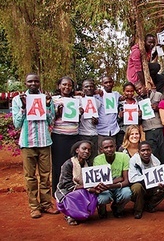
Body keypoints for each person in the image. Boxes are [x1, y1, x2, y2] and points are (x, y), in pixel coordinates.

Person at [12, 73, 59, 218]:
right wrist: (24, 108)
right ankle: (34, 206)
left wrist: (47, 106)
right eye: (30, 81)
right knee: (30, 177)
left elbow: (51, 121)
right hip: (27, 143)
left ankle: (46, 204)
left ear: (39, 83)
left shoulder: (46, 98)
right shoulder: (17, 100)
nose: (33, 84)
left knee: (45, 176)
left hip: (44, 141)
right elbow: (17, 124)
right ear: (25, 83)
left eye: (36, 81)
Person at [55, 140, 107, 225]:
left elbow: (91, 182)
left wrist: (93, 188)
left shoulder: (89, 164)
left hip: (84, 188)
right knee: (78, 194)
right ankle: (70, 215)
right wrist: (87, 187)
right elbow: (66, 185)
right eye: (84, 149)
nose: (87, 151)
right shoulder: (68, 164)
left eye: (89, 150)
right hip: (67, 191)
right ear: (77, 150)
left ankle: (84, 214)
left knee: (94, 195)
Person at [51, 76, 80, 195]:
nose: (67, 87)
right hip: (59, 136)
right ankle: (57, 191)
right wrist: (57, 114)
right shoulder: (53, 100)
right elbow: (49, 119)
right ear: (59, 86)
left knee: (73, 164)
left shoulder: (77, 99)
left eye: (69, 85)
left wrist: (81, 112)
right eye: (64, 84)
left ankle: (72, 190)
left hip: (74, 136)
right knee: (58, 164)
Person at [129, 141, 164, 219]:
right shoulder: (133, 160)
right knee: (137, 187)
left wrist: (160, 183)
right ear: (138, 152)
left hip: (151, 186)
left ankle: (149, 205)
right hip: (139, 185)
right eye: (143, 150)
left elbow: (160, 177)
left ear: (151, 150)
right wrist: (148, 177)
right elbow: (132, 179)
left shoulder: (155, 160)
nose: (146, 152)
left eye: (148, 150)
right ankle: (138, 210)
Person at [93, 138, 132, 218]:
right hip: (106, 187)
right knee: (103, 198)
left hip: (117, 186)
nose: (109, 149)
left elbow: (126, 181)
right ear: (101, 150)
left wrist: (112, 185)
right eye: (106, 147)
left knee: (127, 194)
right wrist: (119, 179)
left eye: (111, 146)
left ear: (115, 147)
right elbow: (99, 182)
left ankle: (117, 208)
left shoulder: (124, 157)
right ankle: (102, 208)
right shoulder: (97, 160)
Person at [133, 80, 164, 163]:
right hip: (148, 130)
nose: (139, 91)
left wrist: (158, 107)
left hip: (159, 128)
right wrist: (139, 115)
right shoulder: (137, 101)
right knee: (153, 153)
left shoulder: (158, 95)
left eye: (140, 88)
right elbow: (137, 120)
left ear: (145, 86)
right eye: (137, 90)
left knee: (163, 151)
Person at [95, 76, 121, 150]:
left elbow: (124, 98)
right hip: (101, 131)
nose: (108, 84)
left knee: (113, 152)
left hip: (113, 130)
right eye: (106, 82)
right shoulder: (98, 95)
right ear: (102, 84)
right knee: (102, 153)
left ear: (113, 83)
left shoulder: (116, 94)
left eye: (110, 82)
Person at [78, 79, 99, 166]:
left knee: (93, 157)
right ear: (82, 88)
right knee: (82, 157)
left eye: (91, 86)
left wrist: (96, 121)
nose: (89, 88)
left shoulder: (98, 102)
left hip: (95, 134)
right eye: (86, 86)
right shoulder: (78, 100)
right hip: (82, 133)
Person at [117, 82, 138, 147]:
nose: (129, 93)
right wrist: (120, 116)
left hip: (135, 131)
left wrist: (140, 115)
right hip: (123, 131)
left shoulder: (138, 102)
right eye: (127, 91)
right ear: (124, 91)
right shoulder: (120, 104)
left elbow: (140, 120)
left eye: (132, 91)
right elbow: (116, 119)